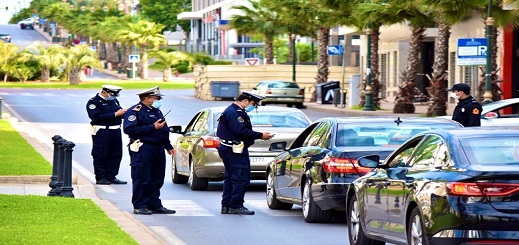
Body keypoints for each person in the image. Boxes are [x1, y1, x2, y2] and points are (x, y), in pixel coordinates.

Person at [216, 91, 274, 215]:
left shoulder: (233, 111)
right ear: (245, 101)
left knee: (231, 178)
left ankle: (226, 205)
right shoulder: (234, 113)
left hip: (230, 148)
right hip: (234, 149)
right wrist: (260, 135)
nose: (254, 107)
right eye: (253, 104)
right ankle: (235, 205)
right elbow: (240, 131)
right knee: (240, 178)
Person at [123, 86, 176, 215]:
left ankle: (154, 204)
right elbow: (129, 130)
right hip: (144, 147)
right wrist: (152, 127)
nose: (158, 100)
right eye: (156, 98)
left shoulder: (156, 110)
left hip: (157, 148)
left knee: (157, 177)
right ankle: (140, 205)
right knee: (142, 177)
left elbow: (163, 130)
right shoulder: (135, 111)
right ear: (147, 98)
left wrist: (168, 146)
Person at [86, 85, 127, 185]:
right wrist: (115, 114)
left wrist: (126, 112)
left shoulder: (114, 101)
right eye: (112, 94)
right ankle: (101, 177)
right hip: (102, 131)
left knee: (116, 154)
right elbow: (96, 117)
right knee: (100, 154)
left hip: (115, 130)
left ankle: (111, 176)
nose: (113, 97)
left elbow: (119, 112)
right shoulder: (93, 102)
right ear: (104, 92)